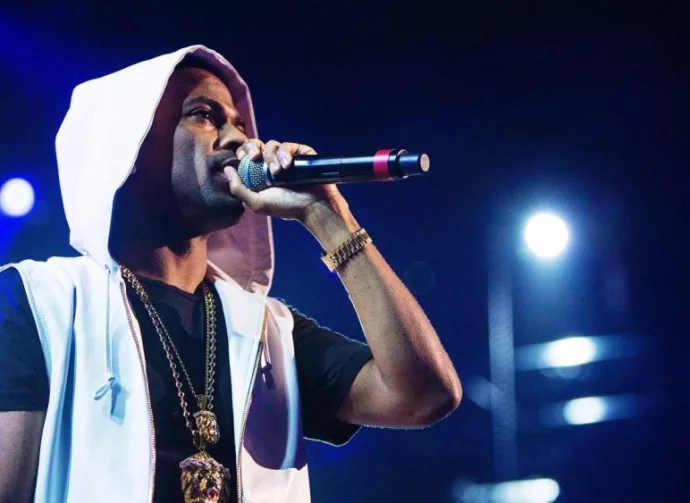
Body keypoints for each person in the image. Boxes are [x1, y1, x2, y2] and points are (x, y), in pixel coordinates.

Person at [0, 45, 461, 503]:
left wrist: (329, 216)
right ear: (129, 146)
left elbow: (423, 395)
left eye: (239, 124)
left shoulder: (268, 331)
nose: (240, 141)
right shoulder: (39, 303)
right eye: (205, 116)